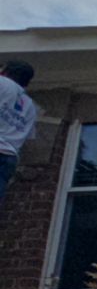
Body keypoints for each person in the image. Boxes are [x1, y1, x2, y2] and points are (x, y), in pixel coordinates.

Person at [0, 60, 36, 202]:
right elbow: (29, 136)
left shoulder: (2, 82)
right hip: (9, 157)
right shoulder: (30, 106)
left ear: (4, 72)